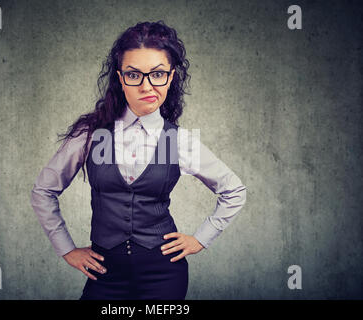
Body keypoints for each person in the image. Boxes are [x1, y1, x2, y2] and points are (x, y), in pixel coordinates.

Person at [30, 20, 247, 300]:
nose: (147, 86)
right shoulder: (93, 135)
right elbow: (43, 190)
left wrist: (200, 239)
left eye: (157, 74)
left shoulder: (178, 141)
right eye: (134, 75)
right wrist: (67, 249)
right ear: (121, 79)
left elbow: (234, 190)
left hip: (163, 274)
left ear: (170, 77)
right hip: (105, 274)